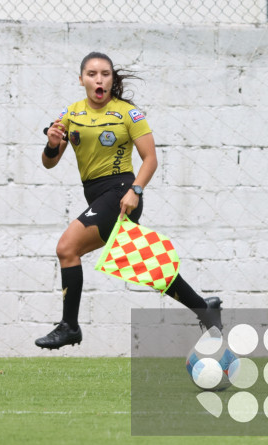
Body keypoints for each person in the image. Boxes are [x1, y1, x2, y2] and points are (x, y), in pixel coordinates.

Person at [35, 52, 222, 350]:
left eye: (105, 74)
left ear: (112, 79)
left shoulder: (128, 113)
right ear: (81, 79)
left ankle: (69, 326)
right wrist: (52, 144)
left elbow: (151, 159)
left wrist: (136, 190)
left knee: (67, 248)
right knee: (143, 263)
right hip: (96, 195)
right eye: (92, 74)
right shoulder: (70, 113)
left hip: (120, 193)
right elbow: (49, 162)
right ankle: (204, 308)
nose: (99, 79)